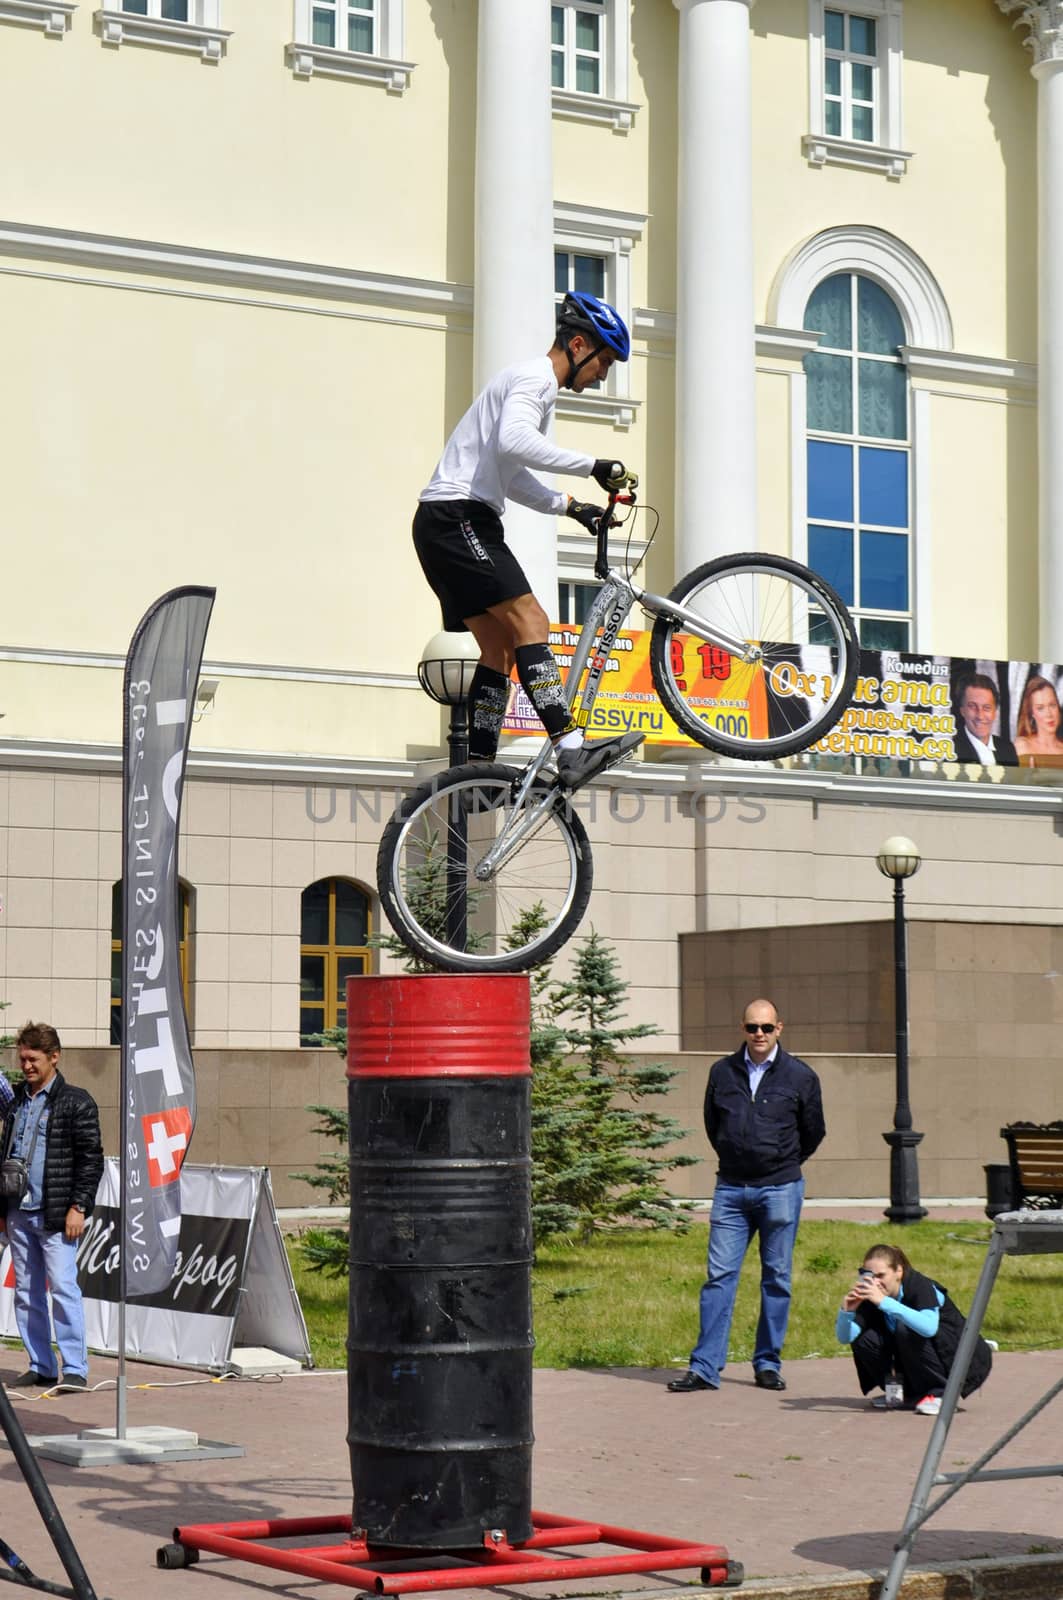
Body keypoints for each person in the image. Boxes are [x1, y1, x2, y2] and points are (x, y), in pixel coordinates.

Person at [413, 291, 644, 790]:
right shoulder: (535, 379)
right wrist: (594, 465)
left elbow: (510, 470)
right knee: (532, 620)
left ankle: (476, 774)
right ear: (578, 344)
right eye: (603, 360)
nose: (603, 374)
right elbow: (514, 442)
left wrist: (571, 505)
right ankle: (570, 748)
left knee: (497, 646)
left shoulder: (530, 387)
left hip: (446, 521)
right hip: (459, 518)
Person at [668, 999, 825, 1395]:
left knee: (777, 1278)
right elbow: (712, 1123)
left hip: (781, 1189)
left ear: (780, 1028)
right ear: (742, 1028)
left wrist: (782, 1161)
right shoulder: (722, 1072)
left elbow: (813, 1131)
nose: (759, 1034)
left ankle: (767, 1363)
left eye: (766, 1028)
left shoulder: (800, 1076)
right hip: (731, 1190)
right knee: (718, 1277)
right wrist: (735, 1154)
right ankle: (705, 1368)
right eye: (752, 1027)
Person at [0, 1022, 104, 1391]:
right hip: (19, 1211)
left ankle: (74, 1367)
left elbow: (91, 1159)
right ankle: (41, 1364)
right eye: (22, 1058)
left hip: (56, 1213)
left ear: (54, 1057)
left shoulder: (76, 1101)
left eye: (33, 1059)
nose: (26, 1065)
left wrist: (79, 1206)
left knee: (62, 1288)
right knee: (27, 1292)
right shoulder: (15, 1102)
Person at [836, 1243, 992, 1416]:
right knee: (865, 1338)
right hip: (918, 1357)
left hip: (961, 1357)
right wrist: (847, 1312)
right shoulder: (871, 1295)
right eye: (869, 1276)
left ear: (899, 1272)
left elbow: (928, 1328)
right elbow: (846, 1337)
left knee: (908, 1328)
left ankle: (942, 1394)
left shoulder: (920, 1286)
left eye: (881, 1275)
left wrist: (884, 1303)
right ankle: (900, 1392)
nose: (875, 1282)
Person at [952, 673, 1017, 765]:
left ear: (995, 712)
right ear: (962, 710)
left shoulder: (1008, 749)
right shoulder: (951, 751)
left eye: (987, 707)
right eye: (973, 706)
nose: (980, 716)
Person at [1013, 673, 1063, 760]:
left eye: (1052, 705)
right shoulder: (1023, 746)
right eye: (1040, 708)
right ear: (1032, 713)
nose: (1049, 714)